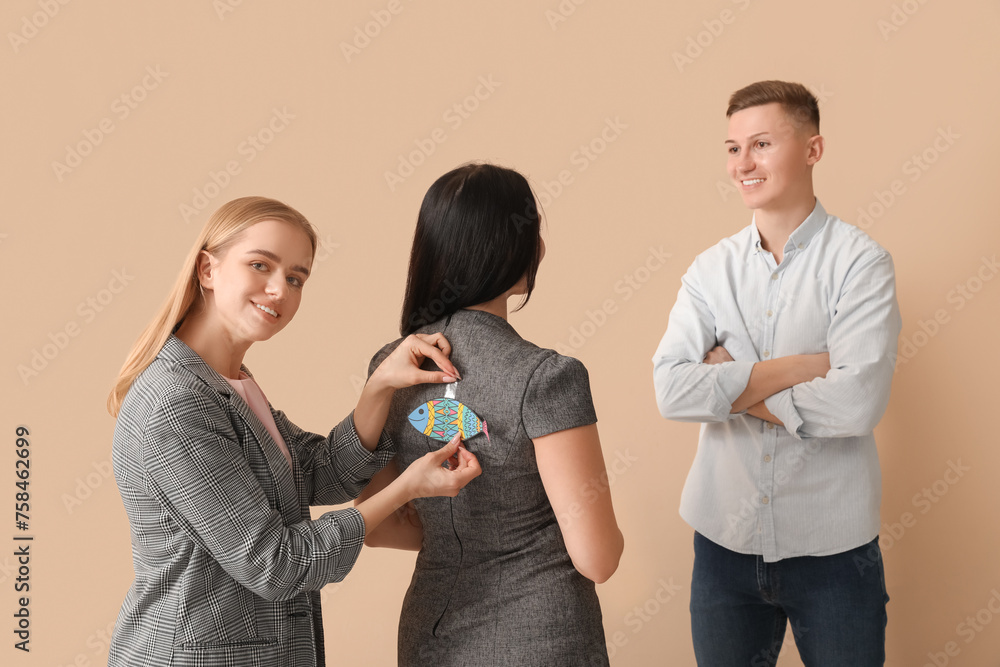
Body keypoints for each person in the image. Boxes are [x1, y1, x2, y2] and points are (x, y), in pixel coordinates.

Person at [106, 196, 480, 667]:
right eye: (260, 265)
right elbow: (277, 564)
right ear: (207, 270)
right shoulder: (176, 403)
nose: (279, 289)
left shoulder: (232, 384)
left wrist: (380, 385)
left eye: (295, 278)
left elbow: (322, 472)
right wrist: (407, 488)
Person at [652, 81, 901, 666]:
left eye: (761, 143)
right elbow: (671, 389)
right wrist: (798, 369)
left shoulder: (862, 264)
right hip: (723, 545)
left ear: (813, 150)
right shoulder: (710, 270)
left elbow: (857, 403)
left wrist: (733, 382)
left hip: (835, 550)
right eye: (733, 148)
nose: (744, 164)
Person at [357, 163, 624, 666]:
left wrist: (456, 540)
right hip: (542, 638)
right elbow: (599, 558)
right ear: (518, 251)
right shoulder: (548, 377)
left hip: (429, 637)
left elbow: (380, 526)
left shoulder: (393, 369)